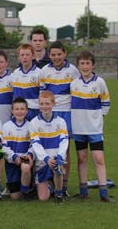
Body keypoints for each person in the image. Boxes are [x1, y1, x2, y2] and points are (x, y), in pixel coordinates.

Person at [71, 50, 113, 202]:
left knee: (99, 158)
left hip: (94, 128)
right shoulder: (74, 83)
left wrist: (96, 117)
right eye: (82, 63)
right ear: (78, 65)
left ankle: (103, 193)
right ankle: (83, 192)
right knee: (81, 158)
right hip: (78, 128)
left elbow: (106, 102)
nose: (85, 66)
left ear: (93, 65)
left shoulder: (100, 82)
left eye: (88, 63)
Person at [40, 41, 80, 196]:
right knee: (48, 146)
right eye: (53, 55)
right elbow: (42, 95)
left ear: (64, 54)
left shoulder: (73, 71)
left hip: (66, 113)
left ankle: (64, 185)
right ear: (49, 55)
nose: (56, 57)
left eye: (59, 54)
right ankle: (50, 182)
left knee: (65, 150)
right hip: (49, 112)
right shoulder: (44, 71)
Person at [29, 91, 68, 202]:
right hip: (43, 162)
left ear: (53, 104)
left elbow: (64, 141)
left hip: (55, 159)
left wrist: (60, 156)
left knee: (58, 167)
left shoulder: (61, 122)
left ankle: (59, 194)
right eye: (42, 104)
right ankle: (50, 185)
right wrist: (46, 158)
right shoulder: (34, 123)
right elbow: (36, 144)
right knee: (43, 198)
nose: (44, 106)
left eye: (47, 103)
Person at [2, 97, 33, 200]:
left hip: (25, 158)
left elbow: (34, 145)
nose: (19, 112)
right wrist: (14, 156)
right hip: (12, 162)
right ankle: (24, 187)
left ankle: (25, 193)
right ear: (12, 111)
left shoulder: (31, 126)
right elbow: (3, 147)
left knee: (26, 167)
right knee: (14, 196)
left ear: (27, 111)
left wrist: (28, 155)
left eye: (22, 109)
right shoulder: (6, 126)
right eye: (17, 109)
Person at [11, 43, 41, 121]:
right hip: (19, 111)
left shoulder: (39, 73)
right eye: (22, 55)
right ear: (18, 57)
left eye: (27, 55)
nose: (25, 57)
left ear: (33, 56)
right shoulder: (15, 73)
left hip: (34, 110)